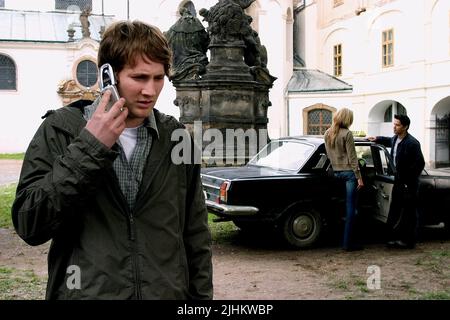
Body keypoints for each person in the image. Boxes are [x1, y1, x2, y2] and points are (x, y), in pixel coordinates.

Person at [11, 21, 213, 299]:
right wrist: (90, 146)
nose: (150, 91)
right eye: (139, 78)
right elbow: (30, 224)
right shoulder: (60, 130)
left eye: (158, 78)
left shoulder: (177, 137)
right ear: (108, 75)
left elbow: (196, 235)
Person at [368, 114, 425, 249]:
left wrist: (407, 180)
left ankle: (408, 242)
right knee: (396, 210)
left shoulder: (412, 143)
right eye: (394, 124)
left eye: (397, 125)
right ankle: (396, 238)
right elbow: (389, 141)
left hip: (409, 184)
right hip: (398, 182)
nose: (394, 126)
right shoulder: (396, 139)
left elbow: (420, 164)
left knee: (409, 213)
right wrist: (377, 139)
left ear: (405, 127)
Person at [324, 108, 364, 252]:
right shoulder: (347, 134)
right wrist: (359, 177)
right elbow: (353, 158)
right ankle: (348, 244)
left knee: (338, 207)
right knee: (350, 209)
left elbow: (328, 156)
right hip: (349, 175)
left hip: (335, 173)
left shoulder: (327, 133)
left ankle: (335, 240)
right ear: (348, 119)